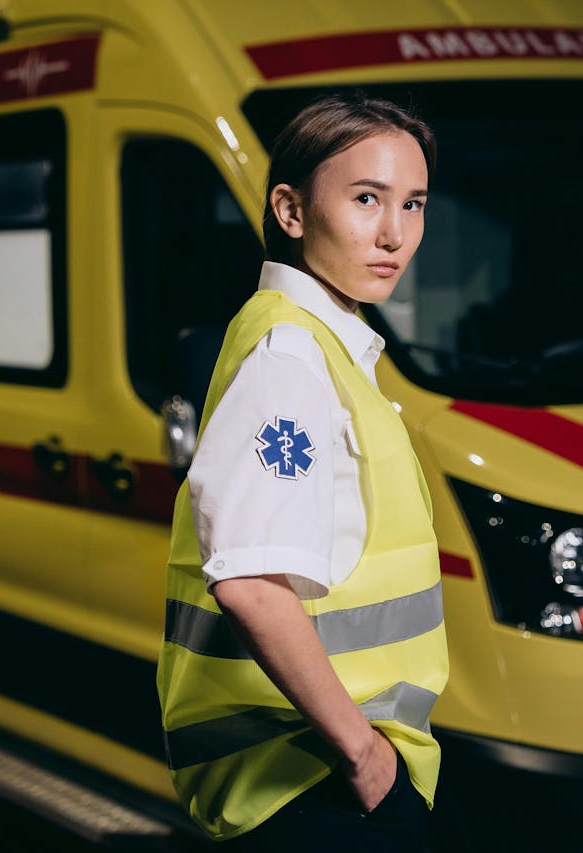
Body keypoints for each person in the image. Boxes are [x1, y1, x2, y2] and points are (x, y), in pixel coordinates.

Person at [157, 93, 448, 851]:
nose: (395, 233)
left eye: (413, 203)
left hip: (324, 771)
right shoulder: (290, 356)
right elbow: (250, 582)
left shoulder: (322, 341)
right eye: (366, 199)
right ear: (289, 210)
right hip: (304, 779)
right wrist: (364, 755)